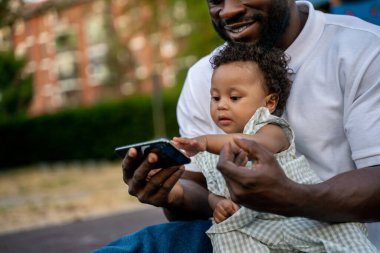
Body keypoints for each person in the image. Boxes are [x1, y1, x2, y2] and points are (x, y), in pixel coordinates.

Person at [93, 1, 380, 252]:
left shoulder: (364, 50)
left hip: (325, 238)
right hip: (242, 239)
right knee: (138, 247)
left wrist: (290, 197)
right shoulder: (205, 76)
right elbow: (196, 191)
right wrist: (172, 193)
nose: (229, 10)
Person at [172, 42, 377, 252]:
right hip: (253, 228)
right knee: (226, 238)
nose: (221, 105)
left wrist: (205, 142)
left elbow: (256, 145)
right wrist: (217, 203)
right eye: (215, 97)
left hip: (298, 217)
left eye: (234, 97)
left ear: (269, 103)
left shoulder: (270, 128)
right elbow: (216, 189)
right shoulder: (213, 150)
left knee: (340, 239)